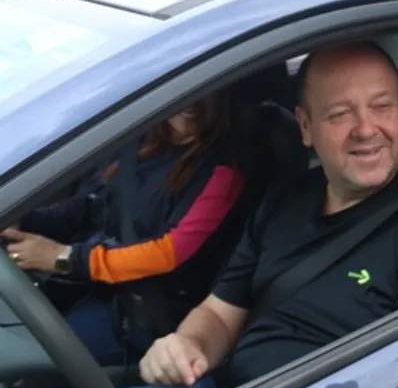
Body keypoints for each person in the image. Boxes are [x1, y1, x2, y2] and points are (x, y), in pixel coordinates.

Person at [130, 42, 398, 388]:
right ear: (305, 127)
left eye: (382, 107)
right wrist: (188, 346)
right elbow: (220, 312)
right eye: (339, 114)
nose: (366, 129)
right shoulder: (285, 198)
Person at [1, 92, 245, 366]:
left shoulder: (223, 171)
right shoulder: (138, 141)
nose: (192, 102)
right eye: (185, 94)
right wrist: (26, 221)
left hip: (148, 317)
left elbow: (168, 252)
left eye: (206, 92)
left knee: (32, 364)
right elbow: (94, 205)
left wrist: (66, 258)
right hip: (104, 291)